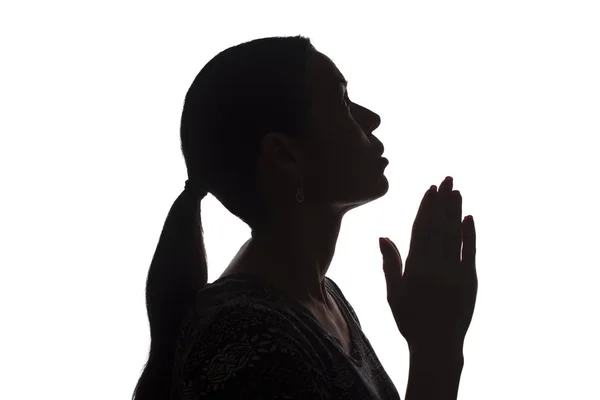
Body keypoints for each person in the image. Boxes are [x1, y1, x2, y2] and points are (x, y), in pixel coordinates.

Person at [132, 35, 477, 400]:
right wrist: (436, 348)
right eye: (342, 102)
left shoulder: (324, 301)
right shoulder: (247, 338)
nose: (371, 119)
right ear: (284, 155)